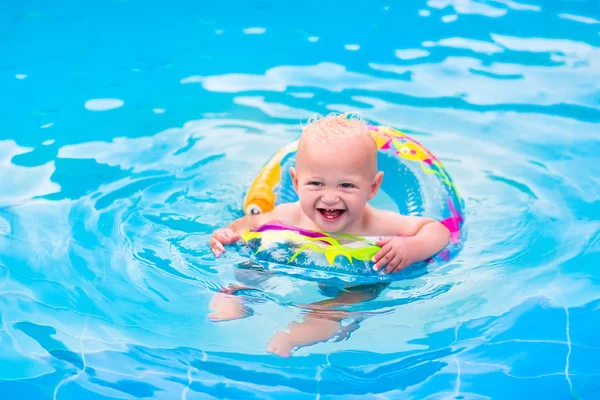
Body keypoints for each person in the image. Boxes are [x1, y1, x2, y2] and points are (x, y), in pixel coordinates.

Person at [208, 113, 450, 357]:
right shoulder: (289, 214)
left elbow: (438, 231)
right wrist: (228, 233)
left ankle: (321, 318)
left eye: (346, 185)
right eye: (316, 184)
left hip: (355, 278)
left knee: (366, 290)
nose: (331, 197)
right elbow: (249, 223)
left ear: (373, 188)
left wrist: (411, 248)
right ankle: (238, 294)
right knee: (250, 267)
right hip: (292, 260)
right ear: (295, 181)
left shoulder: (378, 223)